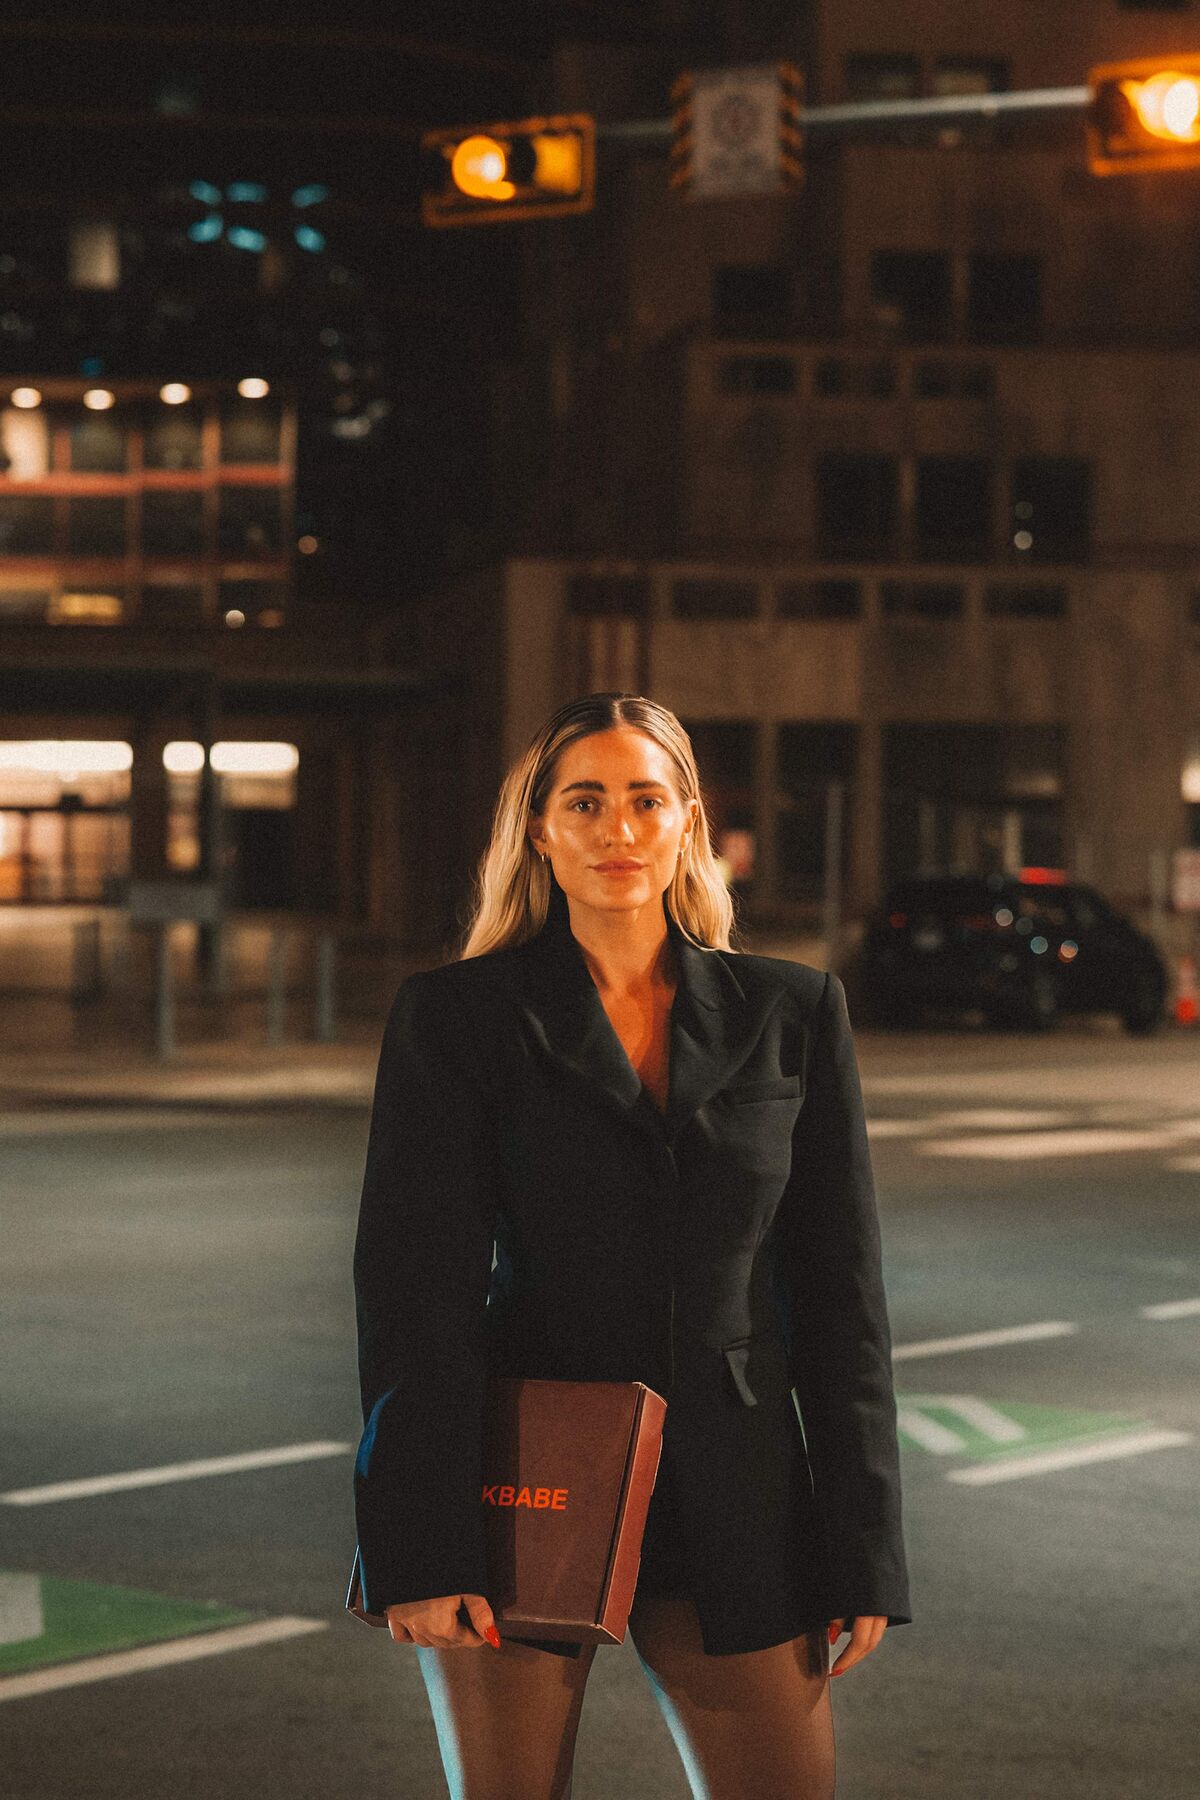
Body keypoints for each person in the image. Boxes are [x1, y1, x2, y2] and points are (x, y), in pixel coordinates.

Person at [348, 692, 912, 1799]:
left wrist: (862, 1548)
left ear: (689, 822)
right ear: (541, 832)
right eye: (587, 802)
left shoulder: (792, 1012)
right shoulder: (458, 1017)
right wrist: (420, 1549)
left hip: (740, 1491)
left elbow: (841, 1302)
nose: (618, 829)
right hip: (525, 1480)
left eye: (646, 800)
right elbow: (418, 1294)